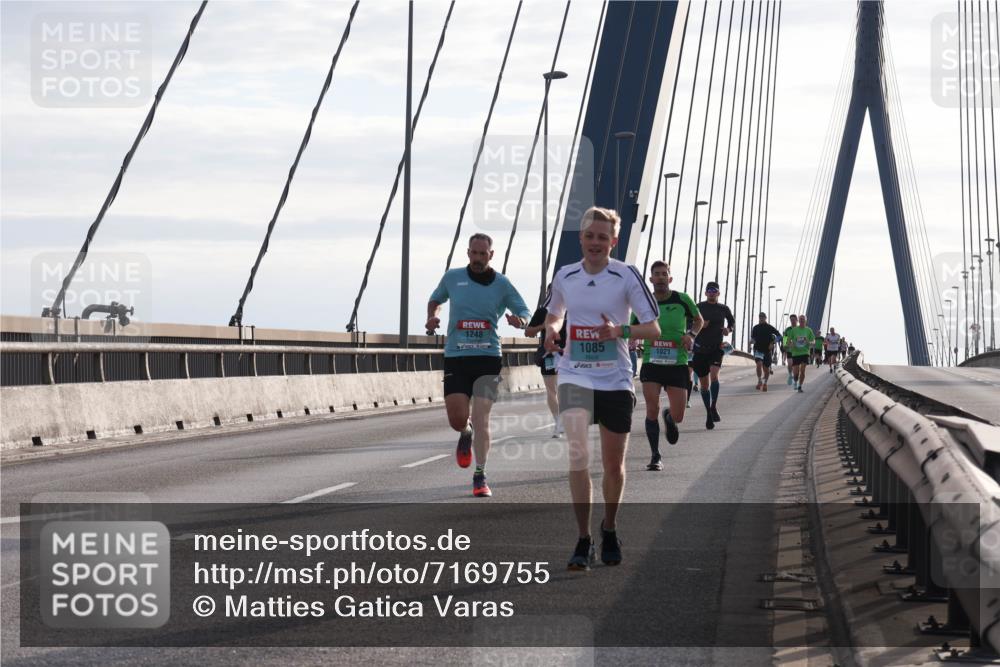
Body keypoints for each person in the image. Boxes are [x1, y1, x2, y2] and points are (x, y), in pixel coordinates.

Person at [543, 206, 660, 571]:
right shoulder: (566, 275)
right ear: (581, 238)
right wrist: (551, 328)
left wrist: (621, 331)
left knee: (614, 464)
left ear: (614, 240)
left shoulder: (626, 276)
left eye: (602, 237)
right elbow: (555, 312)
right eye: (590, 236)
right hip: (575, 373)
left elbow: (653, 329)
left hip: (615, 377)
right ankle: (583, 539)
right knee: (578, 457)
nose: (596, 242)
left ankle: (609, 528)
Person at [427, 233, 531, 497]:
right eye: (473, 253)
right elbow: (436, 299)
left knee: (483, 417)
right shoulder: (453, 277)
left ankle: (480, 474)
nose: (477, 258)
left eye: (482, 254)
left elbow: (525, 311)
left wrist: (520, 320)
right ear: (468, 253)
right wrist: (432, 317)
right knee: (457, 418)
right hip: (456, 356)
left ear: (491, 255)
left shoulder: (502, 284)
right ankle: (465, 431)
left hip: (487, 357)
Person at [631, 261, 704, 470]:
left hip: (677, 363)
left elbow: (699, 320)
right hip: (652, 362)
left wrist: (691, 335)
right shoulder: (643, 302)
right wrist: (633, 337)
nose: (661, 277)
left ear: (670, 279)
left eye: (664, 274)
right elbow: (633, 325)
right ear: (651, 279)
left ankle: (669, 416)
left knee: (679, 416)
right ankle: (655, 456)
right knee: (651, 409)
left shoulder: (682, 300)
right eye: (657, 274)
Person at [691, 281, 735, 430]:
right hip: (700, 349)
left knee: (714, 377)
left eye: (714, 291)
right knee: (704, 385)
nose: (711, 293)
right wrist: (699, 325)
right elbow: (689, 322)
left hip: (716, 348)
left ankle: (714, 405)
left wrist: (729, 329)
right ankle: (709, 413)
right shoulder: (698, 307)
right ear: (705, 293)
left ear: (718, 293)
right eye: (709, 290)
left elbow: (732, 322)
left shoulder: (723, 309)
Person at [525, 288, 566, 437]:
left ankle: (563, 420)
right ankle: (558, 422)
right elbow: (528, 332)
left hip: (567, 354)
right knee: (551, 390)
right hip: (549, 354)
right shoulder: (542, 312)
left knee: (563, 389)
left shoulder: (572, 310)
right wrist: (545, 325)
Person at [750, 312, 782, 392]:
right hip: (758, 350)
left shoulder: (769, 327)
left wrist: (773, 343)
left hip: (767, 351)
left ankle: (765, 383)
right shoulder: (755, 328)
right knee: (759, 364)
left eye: (763, 317)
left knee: (766, 369)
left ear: (765, 318)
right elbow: (753, 338)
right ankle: (759, 380)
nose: (761, 318)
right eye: (760, 317)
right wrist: (751, 341)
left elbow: (780, 336)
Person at [783, 314, 815, 392]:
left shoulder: (809, 330)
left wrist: (810, 343)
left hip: (805, 352)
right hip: (795, 353)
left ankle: (800, 386)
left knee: (803, 370)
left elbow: (813, 341)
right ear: (799, 321)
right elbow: (787, 341)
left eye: (803, 319)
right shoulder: (793, 330)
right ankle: (795, 380)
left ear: (805, 321)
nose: (801, 321)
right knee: (796, 373)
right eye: (800, 319)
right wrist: (789, 345)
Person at [782, 314, 798, 385]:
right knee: (790, 364)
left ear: (796, 320)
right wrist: (784, 345)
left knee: (796, 366)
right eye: (791, 320)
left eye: (794, 320)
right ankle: (790, 375)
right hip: (789, 350)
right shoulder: (788, 329)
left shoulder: (800, 329)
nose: (792, 321)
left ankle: (796, 379)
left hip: (798, 351)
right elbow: (785, 338)